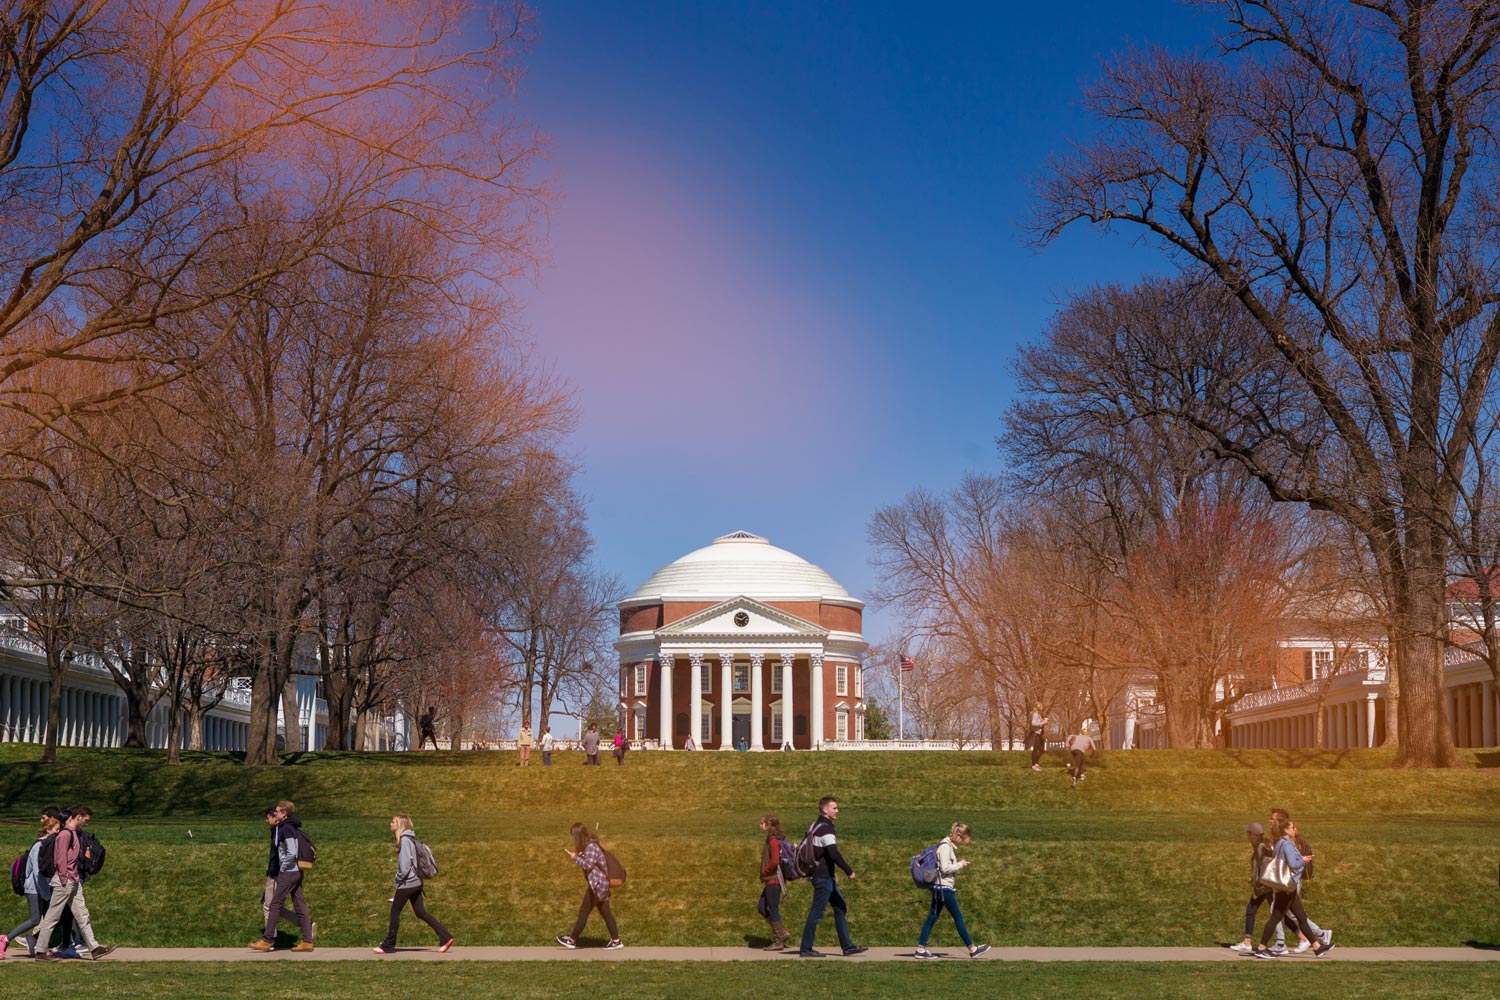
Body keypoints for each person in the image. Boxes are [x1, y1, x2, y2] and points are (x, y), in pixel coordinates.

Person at [32, 806, 114, 961]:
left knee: (82, 915)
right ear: (78, 817)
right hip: (65, 881)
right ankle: (41, 952)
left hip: (73, 881)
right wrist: (64, 878)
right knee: (52, 917)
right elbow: (60, 858)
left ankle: (95, 948)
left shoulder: (74, 834)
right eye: (86, 819)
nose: (87, 823)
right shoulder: (65, 835)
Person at [1251, 816, 1334, 958]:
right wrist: (1303, 860)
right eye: (1291, 827)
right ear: (1285, 830)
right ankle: (1261, 947)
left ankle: (1317, 947)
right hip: (1286, 887)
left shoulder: (1280, 842)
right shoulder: (1287, 844)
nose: (1294, 829)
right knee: (1276, 917)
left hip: (1289, 887)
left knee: (1301, 917)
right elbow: (1293, 864)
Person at [373, 815, 454, 955]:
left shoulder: (405, 840)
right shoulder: (410, 838)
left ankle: (388, 945)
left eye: (393, 822)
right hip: (416, 882)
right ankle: (445, 937)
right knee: (420, 912)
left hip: (408, 883)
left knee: (395, 911)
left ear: (399, 825)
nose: (390, 824)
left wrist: (397, 880)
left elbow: (405, 867)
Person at [798, 796, 866, 958]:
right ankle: (805, 948)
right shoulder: (825, 829)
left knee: (840, 907)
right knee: (816, 912)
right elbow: (833, 853)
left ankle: (847, 946)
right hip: (822, 878)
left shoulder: (816, 825)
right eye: (834, 808)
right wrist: (848, 871)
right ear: (824, 810)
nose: (837, 811)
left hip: (824, 876)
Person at [914, 822, 990, 960]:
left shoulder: (946, 846)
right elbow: (945, 868)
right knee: (958, 918)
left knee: (932, 918)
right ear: (958, 835)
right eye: (963, 840)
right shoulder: (945, 847)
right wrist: (960, 864)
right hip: (944, 888)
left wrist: (959, 863)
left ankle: (920, 949)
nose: (963, 843)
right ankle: (973, 949)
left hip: (939, 887)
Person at [250, 800, 315, 952]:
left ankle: (266, 940)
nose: (275, 813)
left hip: (289, 872)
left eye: (278, 811)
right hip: (295, 871)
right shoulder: (287, 827)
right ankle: (307, 941)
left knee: (274, 904)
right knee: (299, 904)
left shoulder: (286, 828)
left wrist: (283, 869)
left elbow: (291, 852)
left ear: (284, 814)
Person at [1269, 807, 1331, 954]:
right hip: (1283, 882)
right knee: (1294, 915)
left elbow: (1293, 862)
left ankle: (1278, 944)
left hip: (1288, 883)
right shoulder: (1280, 838)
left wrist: (1301, 861)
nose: (1270, 821)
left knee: (1280, 913)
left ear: (1280, 822)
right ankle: (1317, 940)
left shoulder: (1289, 840)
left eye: (1272, 819)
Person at [2, 808, 62, 958]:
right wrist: (46, 893)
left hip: (42, 888)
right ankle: (5, 939)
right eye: (56, 829)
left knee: (49, 918)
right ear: (48, 830)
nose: (58, 833)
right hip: (34, 888)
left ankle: (38, 944)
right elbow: (37, 873)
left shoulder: (48, 846)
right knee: (36, 919)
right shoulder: (39, 846)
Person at [556, 823, 622, 950]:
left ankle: (572, 940)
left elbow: (588, 865)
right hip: (601, 885)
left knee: (583, 913)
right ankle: (616, 941)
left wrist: (575, 858)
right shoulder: (591, 844)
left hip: (596, 885)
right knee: (606, 913)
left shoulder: (591, 846)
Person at [261, 806, 308, 944]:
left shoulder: (283, 830)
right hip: (286, 871)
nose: (267, 820)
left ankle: (269, 939)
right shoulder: (283, 829)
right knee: (294, 904)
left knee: (271, 905)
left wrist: (278, 870)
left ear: (280, 815)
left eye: (270, 816)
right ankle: (306, 929)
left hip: (281, 872)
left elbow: (287, 853)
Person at [757, 815, 791, 950]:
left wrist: (766, 870)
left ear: (768, 825)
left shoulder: (773, 841)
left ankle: (778, 940)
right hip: (770, 881)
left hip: (774, 880)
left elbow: (775, 861)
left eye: (762, 823)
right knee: (761, 907)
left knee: (773, 909)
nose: (760, 825)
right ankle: (781, 933)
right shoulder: (770, 840)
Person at [1027, 704, 1048, 771]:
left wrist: (1043, 721)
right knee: (1035, 750)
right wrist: (1043, 723)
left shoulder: (1038, 715)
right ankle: (1034, 765)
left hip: (1039, 734)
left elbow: (1037, 722)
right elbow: (1033, 724)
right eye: (1041, 706)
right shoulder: (1035, 714)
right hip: (1035, 734)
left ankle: (1036, 763)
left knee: (1042, 749)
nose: (1042, 708)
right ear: (1038, 707)